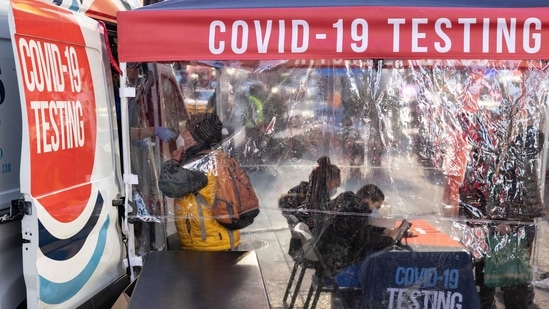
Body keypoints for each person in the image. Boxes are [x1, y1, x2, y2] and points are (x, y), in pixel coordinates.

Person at [159, 113, 241, 251]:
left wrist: (173, 162)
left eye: (186, 130)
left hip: (211, 246)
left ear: (196, 139)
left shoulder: (202, 165)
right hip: (218, 240)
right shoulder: (215, 157)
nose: (182, 134)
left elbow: (169, 185)